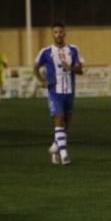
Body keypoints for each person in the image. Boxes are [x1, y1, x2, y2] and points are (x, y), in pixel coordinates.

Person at [34, 23, 84, 165]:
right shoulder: (46, 52)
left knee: (66, 125)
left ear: (65, 33)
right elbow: (35, 68)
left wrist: (71, 68)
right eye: (55, 32)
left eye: (61, 32)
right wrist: (42, 81)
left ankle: (55, 147)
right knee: (59, 118)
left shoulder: (73, 50)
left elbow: (80, 70)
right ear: (52, 34)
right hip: (54, 91)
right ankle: (64, 154)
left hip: (69, 91)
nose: (59, 34)